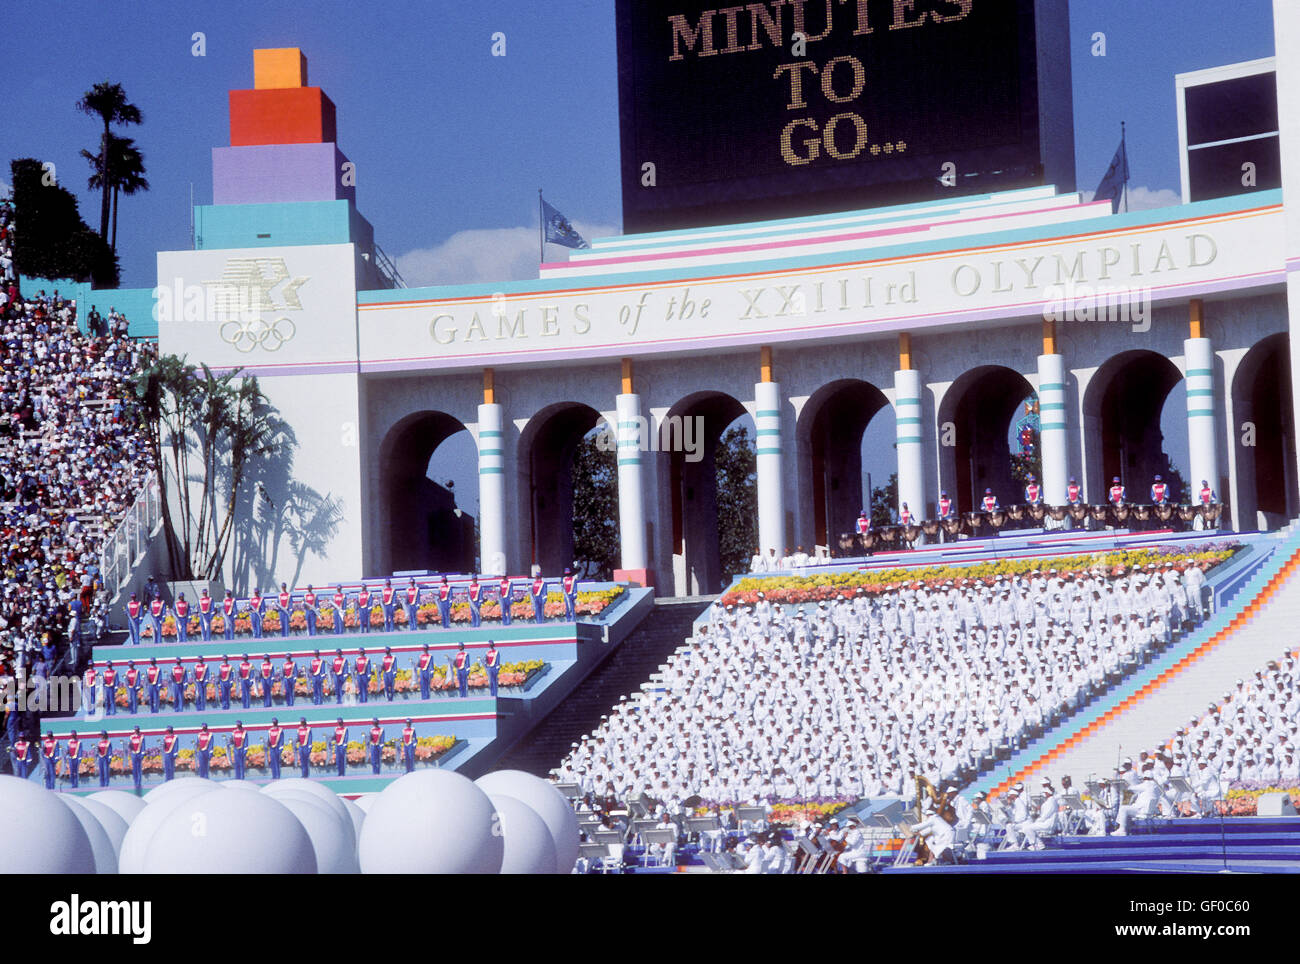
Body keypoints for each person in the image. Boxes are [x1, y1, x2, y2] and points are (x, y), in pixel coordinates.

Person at [127, 726, 146, 791]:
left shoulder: (141, 737)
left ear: (139, 730)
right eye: (135, 730)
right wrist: (129, 746)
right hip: (133, 754)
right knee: (134, 768)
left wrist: (143, 753)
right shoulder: (131, 737)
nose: (136, 731)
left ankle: (139, 782)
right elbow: (130, 745)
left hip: (139, 753)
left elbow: (143, 745)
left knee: (139, 768)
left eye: (137, 730)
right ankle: (135, 782)